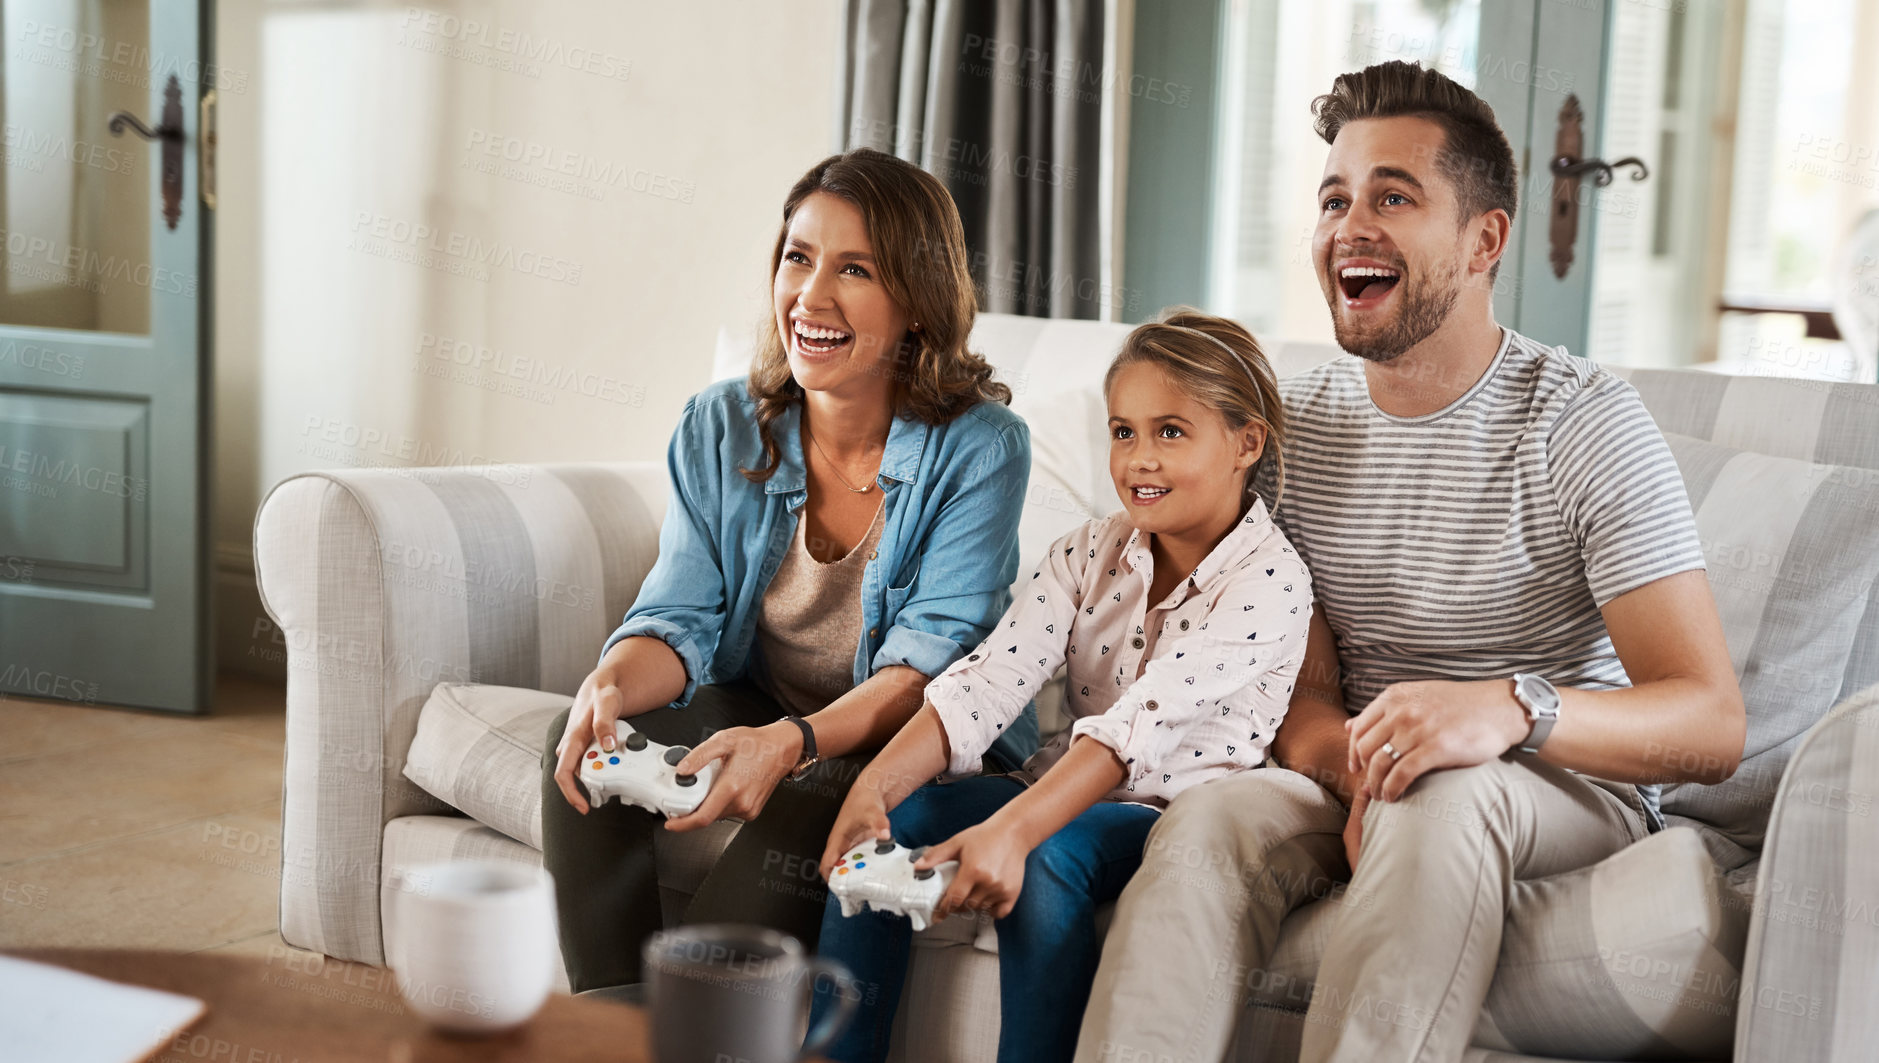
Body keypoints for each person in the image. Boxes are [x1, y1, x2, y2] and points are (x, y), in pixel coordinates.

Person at [1076, 61, 1745, 1063]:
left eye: (1394, 196)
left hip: (1554, 777)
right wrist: (1359, 767)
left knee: (1452, 790)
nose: (1351, 225)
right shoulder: (1295, 431)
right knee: (1210, 823)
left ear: (1485, 240)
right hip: (1364, 768)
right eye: (1334, 198)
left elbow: (1708, 720)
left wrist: (1510, 707)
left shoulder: (1581, 422)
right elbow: (1299, 690)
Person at [539, 147, 1038, 993]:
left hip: (894, 741)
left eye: (855, 269)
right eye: (798, 257)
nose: (811, 295)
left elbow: (928, 671)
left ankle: (676, 1027)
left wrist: (792, 743)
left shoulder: (981, 446)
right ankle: (613, 1032)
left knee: (764, 879)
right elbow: (680, 616)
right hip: (769, 706)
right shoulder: (720, 423)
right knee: (581, 752)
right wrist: (611, 683)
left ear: (916, 303)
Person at [807, 309, 1312, 1063]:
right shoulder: (1088, 550)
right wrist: (872, 789)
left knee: (1047, 859)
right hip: (1056, 782)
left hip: (1167, 814)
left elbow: (1133, 726)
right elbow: (988, 679)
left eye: (1170, 431)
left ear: (1246, 443)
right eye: (1122, 431)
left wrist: (1011, 832)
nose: (1138, 458)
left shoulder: (1270, 582)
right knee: (897, 817)